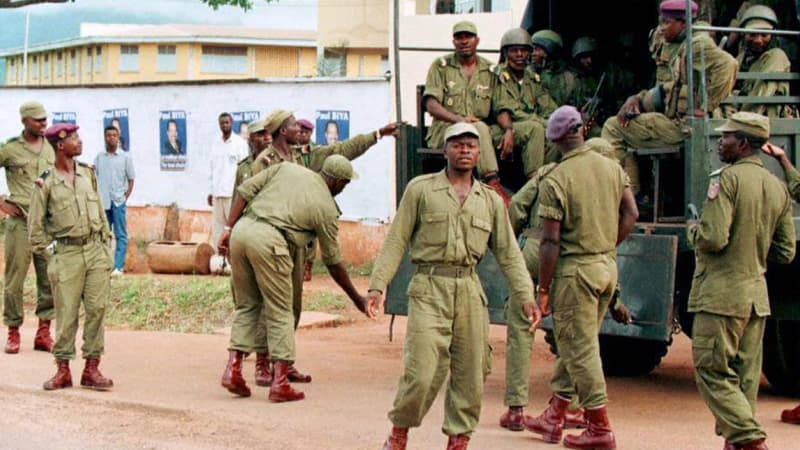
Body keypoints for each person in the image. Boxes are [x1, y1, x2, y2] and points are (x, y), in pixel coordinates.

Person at [369, 122, 536, 450]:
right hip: (429, 288)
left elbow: (509, 253)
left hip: (470, 291)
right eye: (457, 145)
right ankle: (399, 433)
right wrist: (377, 286)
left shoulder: (489, 200)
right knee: (421, 371)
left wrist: (526, 296)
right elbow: (396, 240)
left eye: (471, 146)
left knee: (472, 372)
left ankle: (458, 441)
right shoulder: (421, 190)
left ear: (479, 153)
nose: (465, 151)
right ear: (445, 150)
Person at [217, 154, 373, 402]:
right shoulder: (326, 207)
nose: (343, 189)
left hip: (241, 232)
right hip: (270, 241)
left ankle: (232, 370)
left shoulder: (286, 168)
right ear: (336, 182)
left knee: (248, 305)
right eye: (345, 184)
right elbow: (333, 261)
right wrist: (357, 298)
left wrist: (228, 228)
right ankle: (279, 383)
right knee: (281, 311)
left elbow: (245, 190)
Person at [500, 136, 629, 433]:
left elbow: (517, 207)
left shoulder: (551, 172)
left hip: (536, 249)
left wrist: (514, 245)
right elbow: (607, 241)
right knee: (578, 334)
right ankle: (569, 408)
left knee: (522, 324)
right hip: (574, 260)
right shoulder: (610, 181)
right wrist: (616, 299)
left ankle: (517, 409)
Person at [526, 106, 637, 450]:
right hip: (606, 267)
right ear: (582, 130)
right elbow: (631, 213)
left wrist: (543, 289)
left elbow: (549, 241)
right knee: (581, 343)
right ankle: (555, 413)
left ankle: (599, 427)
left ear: (554, 140)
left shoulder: (556, 178)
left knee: (580, 348)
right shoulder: (612, 167)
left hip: (577, 273)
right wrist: (605, 245)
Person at [687, 112, 795, 450]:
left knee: (712, 371)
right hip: (755, 298)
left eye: (727, 136)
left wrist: (693, 231)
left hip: (720, 296)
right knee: (745, 378)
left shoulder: (727, 180)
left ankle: (749, 440)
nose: (721, 141)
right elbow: (785, 252)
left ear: (744, 143)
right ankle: (738, 443)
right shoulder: (778, 187)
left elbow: (714, 237)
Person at [602, 0, 738, 194]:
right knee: (623, 127)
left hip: (683, 126)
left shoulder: (696, 43)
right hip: (677, 121)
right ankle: (630, 192)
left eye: (667, 22)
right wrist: (638, 99)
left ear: (683, 23)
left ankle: (613, 194)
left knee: (613, 127)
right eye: (661, 22)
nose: (662, 28)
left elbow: (728, 64)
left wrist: (705, 107)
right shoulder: (679, 44)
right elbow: (667, 87)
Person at [256, 111, 400, 282]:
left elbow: (342, 149)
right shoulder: (265, 162)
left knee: (292, 299)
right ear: (283, 131)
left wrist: (378, 134)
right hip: (272, 237)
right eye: (294, 126)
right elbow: (254, 199)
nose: (299, 130)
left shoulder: (303, 155)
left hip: (295, 239)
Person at [28, 123, 115, 392]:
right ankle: (63, 369)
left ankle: (92, 368)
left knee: (97, 310)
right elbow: (35, 229)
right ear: (61, 145)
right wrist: (52, 255)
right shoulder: (46, 183)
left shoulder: (87, 174)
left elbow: (100, 213)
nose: (80, 141)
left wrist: (105, 247)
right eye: (75, 138)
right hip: (66, 255)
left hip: (95, 251)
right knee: (66, 315)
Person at [423, 20, 510, 205]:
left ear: (476, 40)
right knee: (477, 127)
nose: (464, 41)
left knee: (521, 130)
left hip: (482, 129)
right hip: (446, 129)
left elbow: (500, 107)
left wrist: (509, 130)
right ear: (454, 42)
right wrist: (460, 120)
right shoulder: (441, 66)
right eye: (459, 37)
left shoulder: (490, 69)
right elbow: (431, 105)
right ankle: (492, 183)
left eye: (468, 37)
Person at [0, 101, 55, 354]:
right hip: (20, 223)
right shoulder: (10, 149)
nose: (44, 124)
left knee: (50, 279)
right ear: (25, 122)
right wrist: (1, 202)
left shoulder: (52, 148)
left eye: (45, 119)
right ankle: (13, 331)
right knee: (14, 281)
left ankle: (44, 332)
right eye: (38, 120)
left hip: (46, 226)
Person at [229, 117, 273, 387]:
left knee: (269, 302)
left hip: (267, 236)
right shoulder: (243, 168)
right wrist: (228, 233)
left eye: (268, 134)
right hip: (243, 238)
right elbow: (237, 198)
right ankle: (239, 357)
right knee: (246, 301)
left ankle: (263, 363)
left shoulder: (276, 164)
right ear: (250, 138)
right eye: (260, 135)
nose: (265, 138)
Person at [491, 27, 558, 179]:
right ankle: (533, 181)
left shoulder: (532, 78)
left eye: (523, 50)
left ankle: (547, 177)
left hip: (529, 128)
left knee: (556, 134)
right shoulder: (498, 75)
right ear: (506, 53)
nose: (519, 55)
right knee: (536, 128)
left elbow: (549, 108)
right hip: (501, 128)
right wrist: (543, 123)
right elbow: (508, 110)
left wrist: (554, 122)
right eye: (514, 50)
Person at [727, 5, 793, 118]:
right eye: (752, 34)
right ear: (744, 34)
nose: (758, 40)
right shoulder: (741, 58)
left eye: (764, 35)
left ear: (772, 35)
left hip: (761, 118)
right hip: (736, 115)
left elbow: (763, 94)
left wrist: (743, 119)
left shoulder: (776, 56)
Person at [94, 126, 135, 276]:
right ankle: (105, 265)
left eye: (114, 135)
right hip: (103, 201)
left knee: (120, 234)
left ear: (118, 138)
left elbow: (131, 179)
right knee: (103, 234)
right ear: (105, 138)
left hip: (118, 201)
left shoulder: (125, 158)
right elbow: (94, 178)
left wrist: (125, 197)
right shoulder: (99, 158)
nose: (111, 138)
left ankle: (118, 267)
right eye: (108, 135)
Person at [207, 113, 249, 251]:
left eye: (227, 122)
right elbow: (212, 169)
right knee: (218, 229)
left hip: (233, 194)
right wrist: (210, 191)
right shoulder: (215, 143)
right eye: (222, 123)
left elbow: (244, 171)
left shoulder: (240, 144)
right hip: (218, 194)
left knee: (232, 229)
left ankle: (234, 261)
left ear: (232, 123)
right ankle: (219, 260)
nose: (224, 125)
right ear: (219, 125)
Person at [530, 29, 577, 108]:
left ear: (551, 50)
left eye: (537, 49)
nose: (533, 54)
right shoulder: (529, 74)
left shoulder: (569, 79)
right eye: (532, 49)